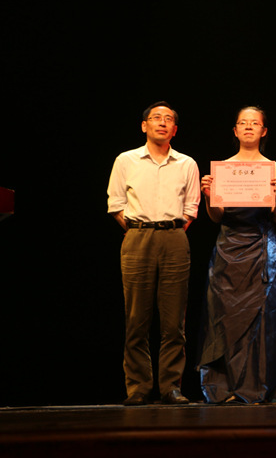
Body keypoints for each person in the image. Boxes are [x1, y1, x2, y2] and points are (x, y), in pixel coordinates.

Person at [196, 106, 276, 403]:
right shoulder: (223, 168)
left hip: (261, 246)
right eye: (243, 122)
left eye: (255, 123)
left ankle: (257, 385)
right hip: (229, 246)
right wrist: (209, 198)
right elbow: (217, 216)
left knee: (262, 320)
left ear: (264, 131)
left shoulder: (273, 168)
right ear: (235, 130)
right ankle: (224, 386)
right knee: (225, 316)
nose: (248, 126)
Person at [107, 101, 200, 406]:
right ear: (144, 125)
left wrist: (170, 229)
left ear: (175, 129)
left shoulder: (186, 163)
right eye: (156, 118)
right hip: (137, 237)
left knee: (174, 321)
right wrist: (139, 228)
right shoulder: (126, 160)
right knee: (137, 318)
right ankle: (138, 387)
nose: (162, 122)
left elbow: (191, 207)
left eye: (168, 119)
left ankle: (170, 386)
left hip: (174, 237)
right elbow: (116, 203)